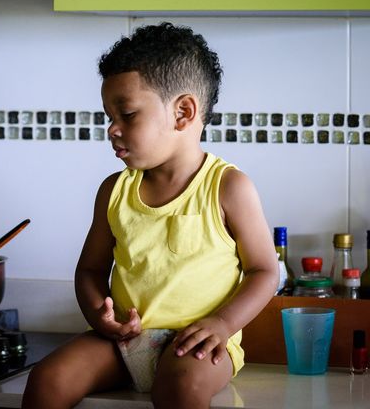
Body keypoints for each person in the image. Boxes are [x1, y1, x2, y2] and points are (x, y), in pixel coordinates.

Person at [22, 23, 279, 409]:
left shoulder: (228, 187)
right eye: (108, 116)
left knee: (180, 389)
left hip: (197, 344)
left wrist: (222, 325)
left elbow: (265, 271)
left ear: (183, 113)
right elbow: (89, 272)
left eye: (126, 114)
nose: (112, 129)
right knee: (47, 379)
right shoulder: (114, 191)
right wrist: (100, 318)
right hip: (124, 342)